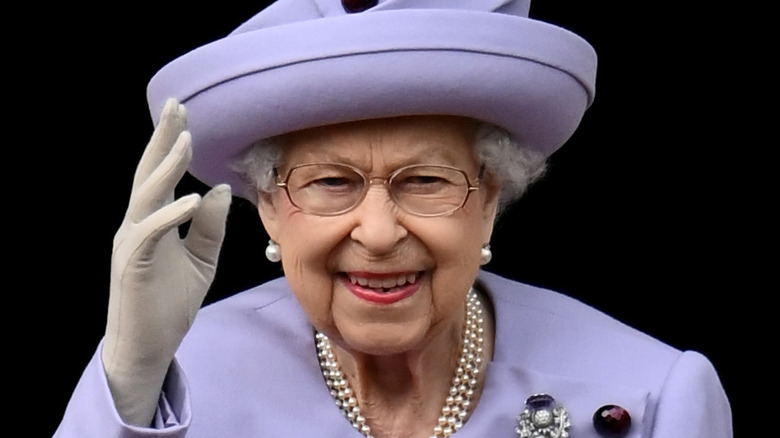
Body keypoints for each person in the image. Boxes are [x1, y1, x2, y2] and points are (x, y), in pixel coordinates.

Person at [54, 0, 733, 437]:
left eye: (427, 181)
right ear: (267, 207)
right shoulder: (173, 381)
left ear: (490, 197)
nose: (378, 234)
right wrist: (129, 379)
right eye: (328, 183)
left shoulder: (650, 396)